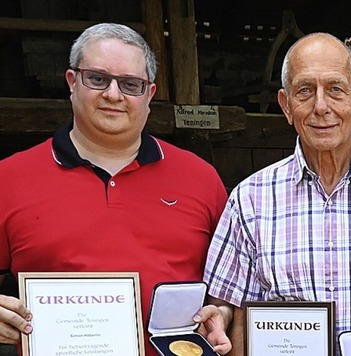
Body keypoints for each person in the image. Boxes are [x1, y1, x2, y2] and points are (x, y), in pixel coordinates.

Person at [194, 32, 351, 356]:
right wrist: (220, 317)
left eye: (335, 89)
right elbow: (228, 305)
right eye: (305, 91)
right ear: (286, 105)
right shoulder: (250, 200)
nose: (321, 107)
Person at [0, 23, 228, 354]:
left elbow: (228, 292)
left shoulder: (201, 179)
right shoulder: (9, 178)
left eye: (130, 84)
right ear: (72, 82)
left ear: (149, 94)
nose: (113, 94)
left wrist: (220, 314)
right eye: (97, 78)